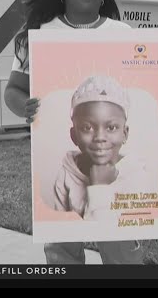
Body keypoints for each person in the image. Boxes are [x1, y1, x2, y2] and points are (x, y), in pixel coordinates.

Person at [4, 0, 158, 264]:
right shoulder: (42, 36)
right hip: (54, 155)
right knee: (61, 247)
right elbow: (12, 91)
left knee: (121, 247)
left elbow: (151, 88)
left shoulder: (124, 33)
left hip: (119, 194)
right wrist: (25, 108)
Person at [53, 74, 151, 223]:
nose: (100, 137)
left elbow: (113, 238)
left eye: (111, 127)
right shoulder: (66, 174)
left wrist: (100, 188)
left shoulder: (136, 177)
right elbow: (60, 232)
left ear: (124, 134)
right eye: (87, 127)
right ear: (74, 136)